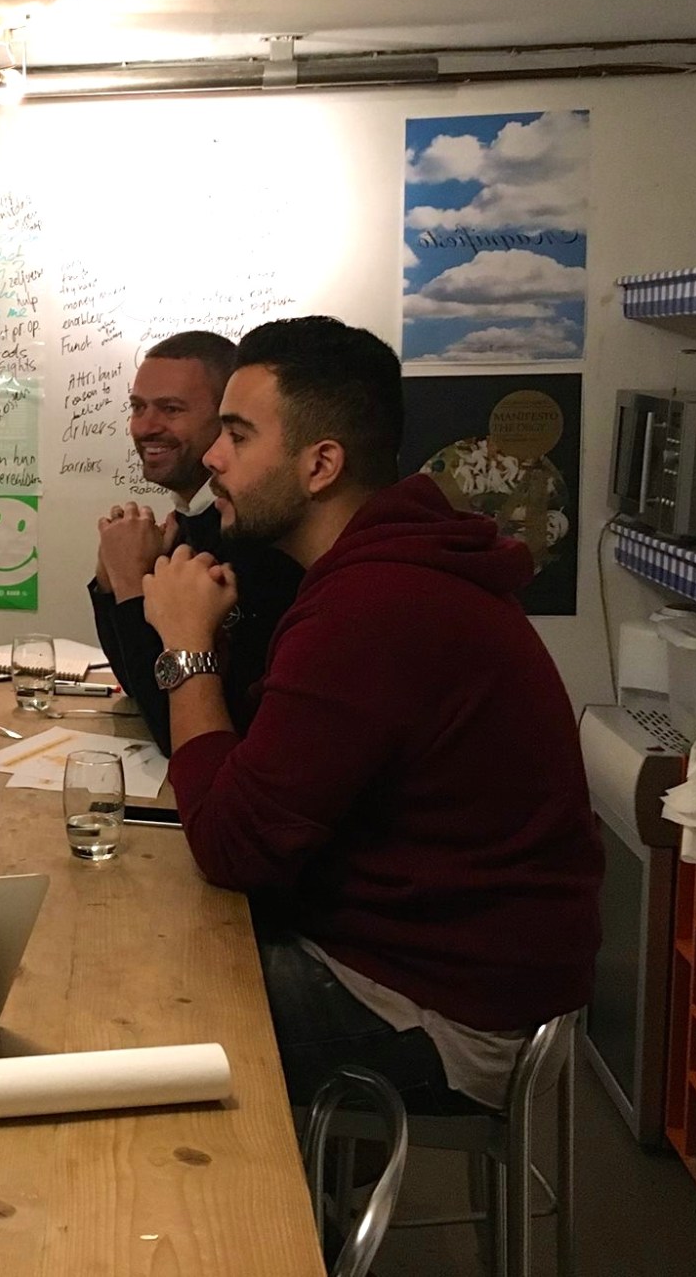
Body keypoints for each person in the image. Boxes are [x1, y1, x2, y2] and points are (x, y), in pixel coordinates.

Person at [140, 316, 603, 1113]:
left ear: (320, 465)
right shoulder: (377, 574)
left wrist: (187, 648)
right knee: (149, 936)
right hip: (436, 970)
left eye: (238, 436)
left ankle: (271, 1201)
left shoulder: (373, 606)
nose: (212, 457)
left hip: (445, 1018)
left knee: (128, 1002)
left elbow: (230, 847)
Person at [88, 331, 303, 748]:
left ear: (226, 419)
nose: (146, 427)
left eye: (171, 409)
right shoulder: (187, 523)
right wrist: (112, 581)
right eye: (138, 407)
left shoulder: (259, 537)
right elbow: (140, 685)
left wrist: (131, 584)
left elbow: (178, 733)